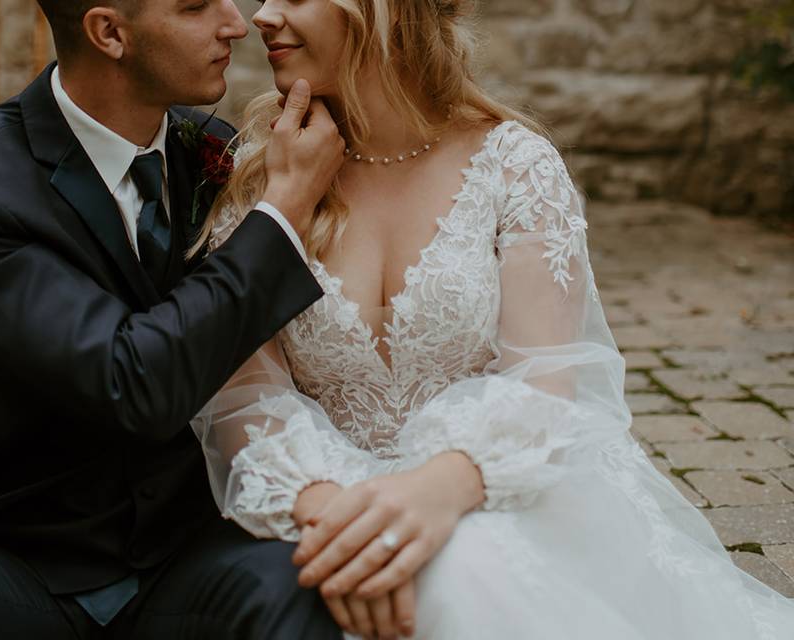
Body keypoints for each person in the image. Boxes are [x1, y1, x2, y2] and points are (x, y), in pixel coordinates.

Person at [191, 0, 794, 638]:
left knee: (470, 571)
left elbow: (547, 382)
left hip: (499, 482)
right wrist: (341, 518)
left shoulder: (515, 168)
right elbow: (244, 392)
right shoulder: (266, 172)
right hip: (324, 507)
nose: (261, 14)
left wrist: (433, 494)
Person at [0, 0, 348, 638]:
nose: (236, 23)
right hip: (18, 564)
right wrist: (280, 214)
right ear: (109, 32)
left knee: (314, 582)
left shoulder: (223, 157)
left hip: (194, 554)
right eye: (195, 7)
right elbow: (131, 380)